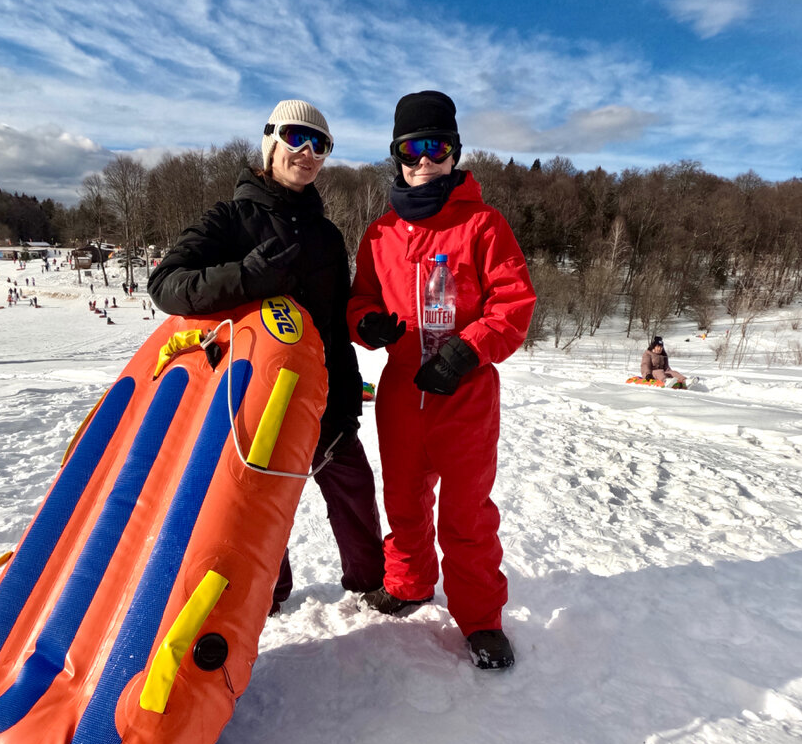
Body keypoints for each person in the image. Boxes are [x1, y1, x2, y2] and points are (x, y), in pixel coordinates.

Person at [148, 98, 385, 614]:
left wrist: (346, 399)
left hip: (322, 395)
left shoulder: (326, 235)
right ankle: (267, 594)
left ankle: (371, 584)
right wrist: (245, 277)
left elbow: (334, 326)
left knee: (354, 489)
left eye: (319, 144)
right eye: (296, 138)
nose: (307, 152)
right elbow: (165, 285)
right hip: (253, 394)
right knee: (254, 505)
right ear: (270, 142)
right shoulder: (228, 219)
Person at [348, 91, 536, 671]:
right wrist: (366, 323)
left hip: (464, 393)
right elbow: (358, 301)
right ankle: (408, 583)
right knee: (402, 500)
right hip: (403, 390)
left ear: (454, 152)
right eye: (412, 148)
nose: (424, 160)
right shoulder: (379, 234)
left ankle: (480, 619)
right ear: (397, 156)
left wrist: (467, 353)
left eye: (436, 147)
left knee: (465, 513)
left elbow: (513, 305)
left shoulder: (483, 223)